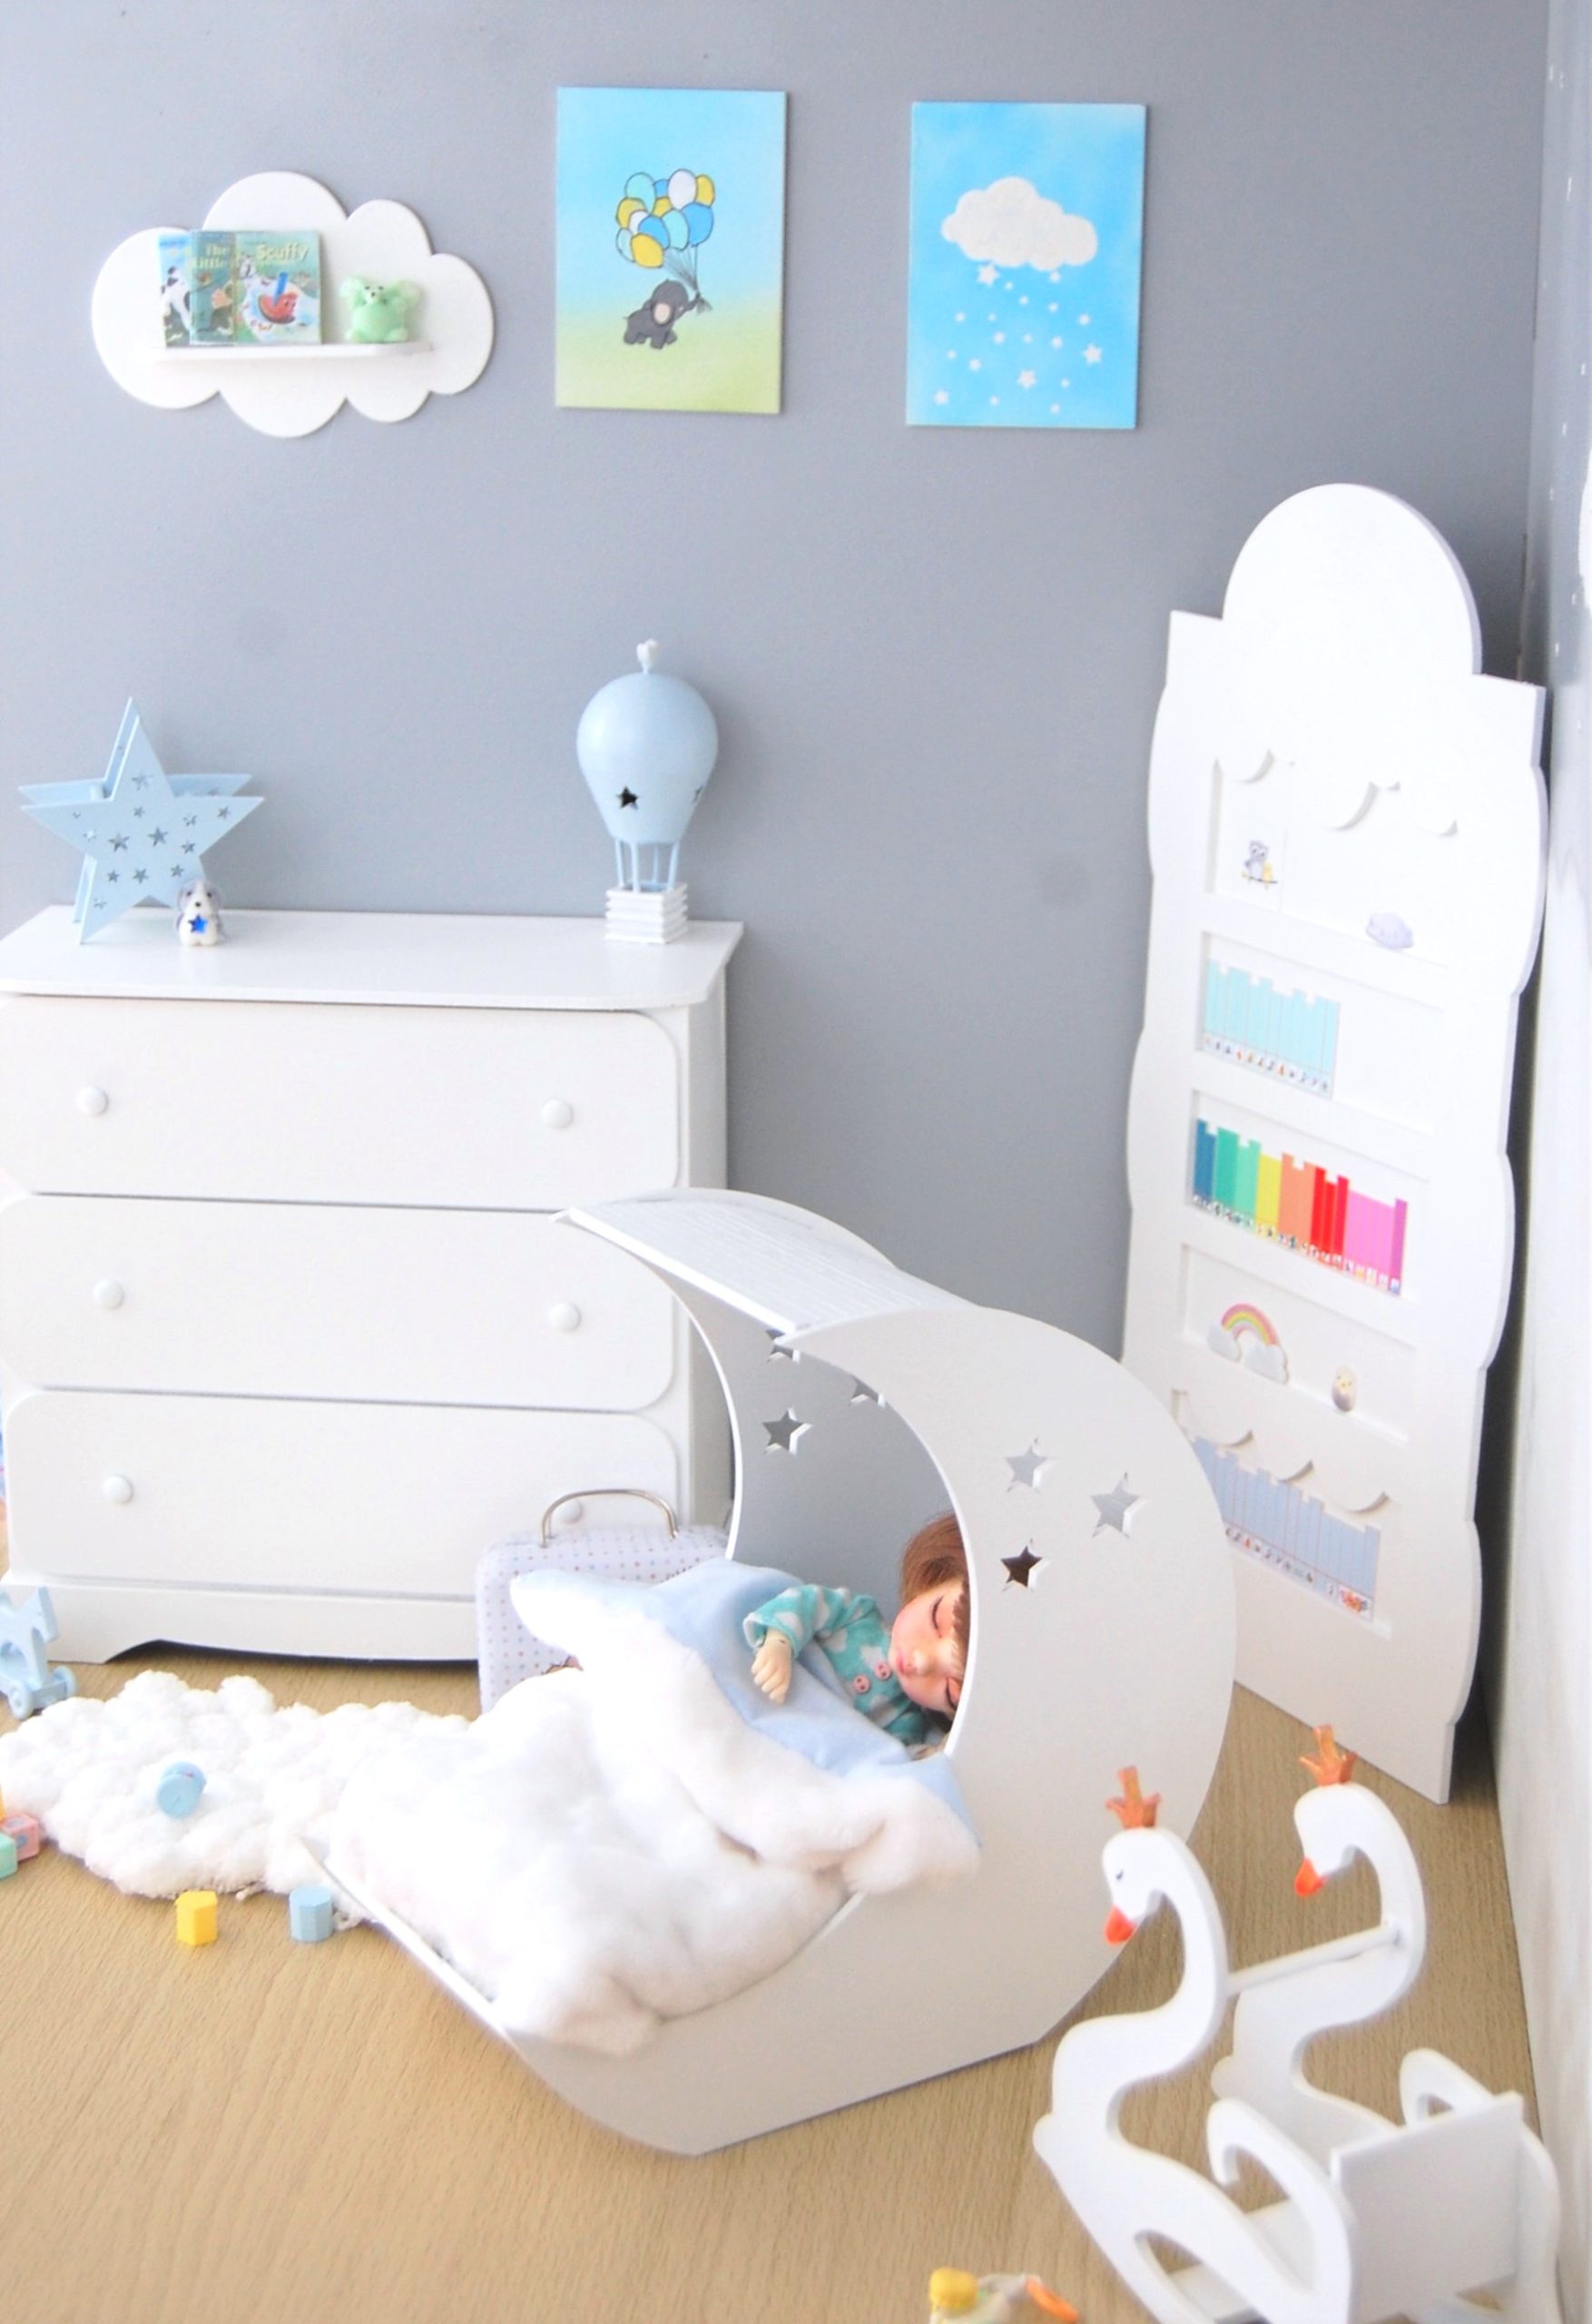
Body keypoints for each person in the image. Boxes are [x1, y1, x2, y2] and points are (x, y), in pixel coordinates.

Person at [744, 1512, 968, 1746]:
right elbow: (806, 1603)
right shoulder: (858, 1616)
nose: (922, 1661)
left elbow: (889, 1756)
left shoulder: (906, 1720)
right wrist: (779, 1642)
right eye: (936, 1620)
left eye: (950, 1691)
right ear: (935, 1581)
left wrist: (941, 1750)